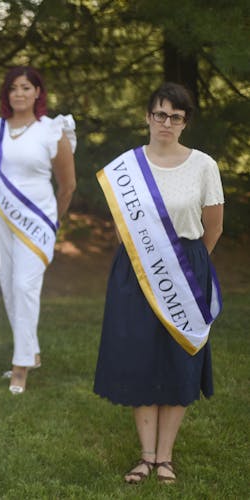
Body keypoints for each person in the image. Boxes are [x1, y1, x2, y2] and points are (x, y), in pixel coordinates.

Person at [93, 82, 223, 484]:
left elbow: (213, 228)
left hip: (187, 270)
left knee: (180, 358)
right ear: (148, 117)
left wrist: (186, 270)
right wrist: (148, 264)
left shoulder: (204, 165)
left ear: (185, 123)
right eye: (160, 114)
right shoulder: (125, 169)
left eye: (176, 116)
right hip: (136, 274)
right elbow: (121, 229)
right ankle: (145, 455)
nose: (167, 122)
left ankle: (165, 457)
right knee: (141, 359)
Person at [0, 66, 76, 394]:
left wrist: (53, 222)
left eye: (26, 87)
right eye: (13, 88)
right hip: (1, 220)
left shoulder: (51, 131)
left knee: (24, 287)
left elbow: (68, 185)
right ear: (7, 94)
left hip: (38, 222)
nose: (19, 93)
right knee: (9, 287)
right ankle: (29, 352)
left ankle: (20, 369)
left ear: (37, 93)